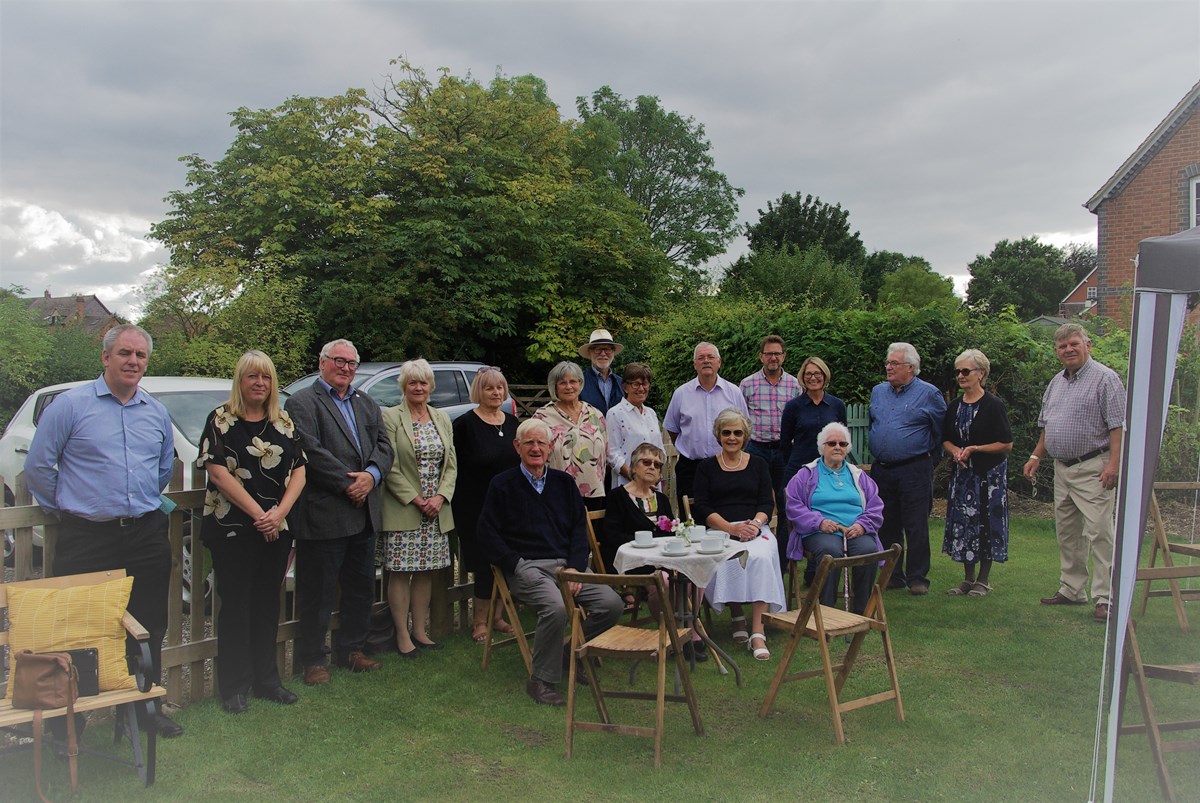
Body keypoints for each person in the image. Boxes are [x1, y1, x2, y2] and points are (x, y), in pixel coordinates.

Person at [26, 323, 184, 737]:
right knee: (79, 626)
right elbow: (39, 468)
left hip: (146, 533)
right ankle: (70, 719)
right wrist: (68, 508)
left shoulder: (155, 411)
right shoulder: (70, 406)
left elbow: (163, 469)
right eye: (125, 354)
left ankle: (142, 709)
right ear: (105, 358)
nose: (133, 362)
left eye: (141, 356)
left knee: (149, 622)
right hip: (88, 536)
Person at [479, 419, 624, 706]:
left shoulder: (564, 483)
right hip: (528, 567)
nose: (535, 448)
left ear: (551, 447)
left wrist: (573, 567)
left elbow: (577, 531)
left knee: (612, 604)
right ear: (517, 446)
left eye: (541, 443)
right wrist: (516, 564)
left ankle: (570, 652)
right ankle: (541, 680)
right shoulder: (502, 484)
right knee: (555, 608)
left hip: (567, 565)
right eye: (529, 443)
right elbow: (486, 533)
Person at [197, 350, 307, 714]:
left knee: (266, 605)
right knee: (236, 606)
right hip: (233, 529)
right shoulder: (221, 420)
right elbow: (217, 471)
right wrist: (261, 514)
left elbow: (300, 471)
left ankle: (267, 681)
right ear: (239, 380)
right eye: (252, 377)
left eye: (266, 377)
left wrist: (279, 515)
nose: (259, 383)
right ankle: (233, 686)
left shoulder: (284, 421)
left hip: (276, 529)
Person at [285, 338, 395, 685]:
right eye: (339, 361)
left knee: (360, 588)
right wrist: (351, 484)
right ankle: (313, 660)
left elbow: (384, 446)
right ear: (322, 363)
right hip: (325, 513)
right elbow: (310, 451)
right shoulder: (303, 402)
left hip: (363, 515)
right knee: (317, 593)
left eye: (351, 363)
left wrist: (372, 476)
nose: (346, 368)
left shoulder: (365, 402)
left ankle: (352, 649)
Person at [1023, 323, 1125, 622]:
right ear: (1057, 352)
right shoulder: (1056, 382)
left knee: (1100, 533)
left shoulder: (1105, 379)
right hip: (1062, 468)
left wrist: (1114, 464)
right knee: (1068, 533)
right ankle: (1072, 589)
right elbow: (1047, 425)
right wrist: (1035, 455)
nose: (1068, 349)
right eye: (1062, 346)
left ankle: (1105, 597)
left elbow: (1118, 426)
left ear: (1087, 345)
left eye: (1073, 344)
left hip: (1094, 466)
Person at [693, 408, 787, 661]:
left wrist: (755, 525)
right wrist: (731, 528)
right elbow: (701, 506)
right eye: (726, 433)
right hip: (720, 528)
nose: (732, 437)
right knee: (728, 557)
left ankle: (758, 631)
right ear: (718, 435)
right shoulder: (706, 467)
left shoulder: (758, 464)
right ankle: (736, 617)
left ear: (745, 436)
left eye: (737, 432)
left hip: (755, 526)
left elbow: (767, 502)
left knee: (759, 557)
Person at [380, 359, 457, 658]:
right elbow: (389, 465)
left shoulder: (441, 418)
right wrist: (417, 499)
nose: (418, 387)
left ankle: (420, 631)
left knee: (425, 572)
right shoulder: (391, 417)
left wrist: (439, 497)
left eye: (423, 382)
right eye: (413, 382)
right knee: (400, 572)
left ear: (431, 386)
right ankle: (402, 635)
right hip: (405, 507)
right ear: (404, 385)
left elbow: (451, 465)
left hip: (435, 511)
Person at [868, 342, 946, 595]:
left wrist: (925, 459)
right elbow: (874, 423)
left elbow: (940, 431)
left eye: (894, 363)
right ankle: (893, 575)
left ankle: (917, 577)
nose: (888, 367)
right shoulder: (878, 392)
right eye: (888, 363)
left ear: (911, 367)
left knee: (916, 524)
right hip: (882, 469)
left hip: (914, 468)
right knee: (886, 523)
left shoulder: (929, 394)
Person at [785, 422, 884, 614]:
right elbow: (793, 505)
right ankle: (826, 609)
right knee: (831, 551)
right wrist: (819, 522)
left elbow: (875, 506)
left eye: (843, 443)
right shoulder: (806, 474)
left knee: (868, 549)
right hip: (819, 530)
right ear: (822, 447)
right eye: (832, 443)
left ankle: (862, 610)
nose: (838, 447)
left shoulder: (858, 476)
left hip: (854, 529)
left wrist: (862, 526)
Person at [452, 366, 519, 643]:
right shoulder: (465, 425)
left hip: (510, 509)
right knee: (484, 566)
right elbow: (454, 468)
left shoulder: (514, 423)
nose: (496, 392)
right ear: (478, 390)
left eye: (500, 387)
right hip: (476, 507)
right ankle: (480, 621)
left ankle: (499, 617)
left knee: (507, 562)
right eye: (489, 388)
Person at [942, 349, 1012, 598]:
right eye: (958, 371)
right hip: (963, 476)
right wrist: (956, 452)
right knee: (965, 524)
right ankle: (967, 578)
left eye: (966, 371)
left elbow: (1006, 443)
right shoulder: (954, 406)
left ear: (980, 374)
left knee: (985, 524)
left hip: (988, 476)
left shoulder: (993, 406)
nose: (960, 376)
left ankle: (984, 579)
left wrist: (974, 449)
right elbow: (946, 439)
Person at [781, 356, 849, 586]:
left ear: (825, 376)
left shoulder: (837, 405)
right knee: (795, 519)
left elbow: (842, 440)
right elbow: (784, 443)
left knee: (824, 516)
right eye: (808, 374)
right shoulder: (793, 407)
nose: (813, 377)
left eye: (817, 373)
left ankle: (816, 572)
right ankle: (783, 569)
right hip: (799, 471)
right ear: (802, 377)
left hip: (829, 472)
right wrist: (795, 468)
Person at [663, 342, 751, 513]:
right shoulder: (681, 393)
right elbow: (672, 429)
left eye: (711, 357)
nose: (706, 361)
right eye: (701, 358)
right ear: (695, 364)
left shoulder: (733, 392)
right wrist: (691, 446)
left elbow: (744, 429)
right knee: (691, 517)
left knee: (726, 514)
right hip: (690, 468)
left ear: (719, 362)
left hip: (726, 466)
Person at [740, 335, 801, 567]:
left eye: (777, 353)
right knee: (755, 503)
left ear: (784, 356)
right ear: (761, 356)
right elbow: (742, 420)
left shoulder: (795, 385)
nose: (773, 357)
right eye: (768, 353)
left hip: (785, 452)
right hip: (757, 450)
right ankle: (753, 557)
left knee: (786, 504)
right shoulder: (747, 384)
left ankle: (782, 561)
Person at [533, 361, 608, 510]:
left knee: (593, 533)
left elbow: (606, 452)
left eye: (573, 381)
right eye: (562, 383)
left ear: (580, 384)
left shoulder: (595, 414)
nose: (568, 387)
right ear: (554, 386)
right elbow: (534, 456)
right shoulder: (542, 417)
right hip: (557, 495)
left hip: (595, 493)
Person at [602, 442, 673, 573]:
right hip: (631, 563)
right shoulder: (617, 496)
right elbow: (612, 536)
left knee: (690, 576)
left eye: (657, 465)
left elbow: (672, 533)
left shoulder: (662, 499)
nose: (652, 467)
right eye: (646, 462)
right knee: (668, 580)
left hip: (662, 562)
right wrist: (647, 542)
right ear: (634, 467)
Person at [605, 363, 665, 490]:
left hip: (653, 486)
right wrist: (637, 479)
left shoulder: (651, 413)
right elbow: (612, 453)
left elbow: (660, 449)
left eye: (645, 384)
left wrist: (655, 477)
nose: (641, 389)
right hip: (627, 485)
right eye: (636, 384)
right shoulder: (615, 413)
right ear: (625, 387)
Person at [578, 328, 624, 415]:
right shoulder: (579, 382)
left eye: (607, 349)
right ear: (590, 352)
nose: (603, 354)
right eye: (597, 349)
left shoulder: (621, 383)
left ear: (613, 352)